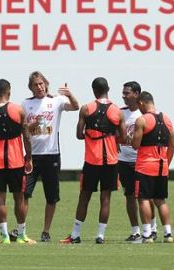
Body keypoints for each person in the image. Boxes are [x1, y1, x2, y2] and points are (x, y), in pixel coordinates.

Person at [61, 77, 126, 244]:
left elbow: (78, 135)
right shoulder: (117, 111)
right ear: (108, 89)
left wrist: (92, 135)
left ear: (93, 90)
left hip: (92, 160)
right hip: (111, 161)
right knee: (106, 198)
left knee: (84, 196)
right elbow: (124, 137)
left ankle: (75, 235)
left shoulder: (86, 109)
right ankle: (100, 236)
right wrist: (111, 138)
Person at [18, 71, 79, 242]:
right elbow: (21, 127)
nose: (39, 87)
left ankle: (46, 231)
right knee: (25, 194)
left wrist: (69, 94)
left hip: (51, 155)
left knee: (51, 196)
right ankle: (21, 229)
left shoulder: (56, 100)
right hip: (31, 156)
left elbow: (75, 107)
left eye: (41, 83)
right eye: (36, 85)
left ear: (46, 84)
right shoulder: (25, 104)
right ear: (31, 87)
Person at [0, 79, 34, 244]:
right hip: (15, 160)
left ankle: (4, 236)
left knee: (0, 197)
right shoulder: (18, 110)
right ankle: (21, 235)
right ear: (9, 91)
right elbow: (26, 136)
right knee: (19, 197)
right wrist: (29, 157)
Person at [131, 91, 174, 244]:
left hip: (145, 166)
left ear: (142, 103)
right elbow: (172, 145)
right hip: (162, 165)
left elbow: (135, 145)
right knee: (160, 200)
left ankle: (147, 234)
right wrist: (166, 164)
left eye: (138, 105)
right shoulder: (167, 119)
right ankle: (168, 233)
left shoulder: (142, 120)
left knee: (143, 199)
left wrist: (132, 137)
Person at [118, 81, 158, 242]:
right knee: (129, 196)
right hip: (124, 160)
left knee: (147, 197)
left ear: (136, 94)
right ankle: (135, 230)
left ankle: (152, 228)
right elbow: (114, 132)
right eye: (123, 93)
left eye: (127, 93)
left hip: (141, 162)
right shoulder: (120, 112)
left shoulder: (145, 116)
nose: (124, 96)